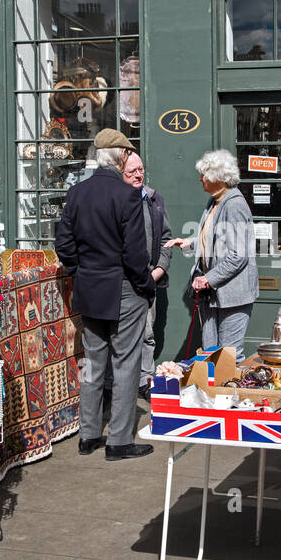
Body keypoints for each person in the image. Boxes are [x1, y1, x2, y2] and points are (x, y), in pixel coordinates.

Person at [54, 128, 155, 460]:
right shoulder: (126, 195)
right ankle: (119, 442)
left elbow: (64, 245)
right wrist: (145, 286)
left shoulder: (77, 192)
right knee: (126, 364)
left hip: (89, 287)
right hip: (123, 287)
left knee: (94, 363)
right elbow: (135, 254)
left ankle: (88, 436)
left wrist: (80, 271)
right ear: (121, 157)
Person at [164, 149, 259, 355]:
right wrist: (188, 243)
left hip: (233, 294)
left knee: (228, 355)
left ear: (218, 177)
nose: (200, 179)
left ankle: (230, 389)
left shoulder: (234, 204)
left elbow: (238, 255)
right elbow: (215, 240)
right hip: (214, 294)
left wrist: (208, 278)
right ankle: (214, 388)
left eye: (204, 175)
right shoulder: (215, 201)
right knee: (211, 353)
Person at [121, 151, 173, 397]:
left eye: (140, 169)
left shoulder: (154, 199)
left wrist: (160, 269)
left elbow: (166, 238)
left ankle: (144, 382)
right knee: (120, 336)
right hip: (121, 281)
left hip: (148, 279)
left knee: (147, 334)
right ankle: (116, 385)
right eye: (132, 171)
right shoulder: (116, 200)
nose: (138, 174)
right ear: (120, 173)